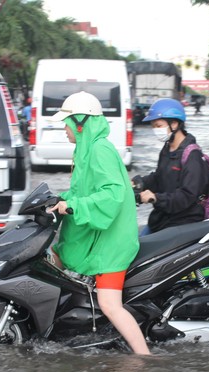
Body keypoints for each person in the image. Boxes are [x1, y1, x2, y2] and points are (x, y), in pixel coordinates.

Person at [46, 91, 151, 355]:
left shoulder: (100, 150)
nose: (65, 130)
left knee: (109, 303)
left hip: (111, 242)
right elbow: (84, 191)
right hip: (96, 235)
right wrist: (60, 200)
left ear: (81, 123)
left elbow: (112, 195)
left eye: (67, 123)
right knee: (53, 259)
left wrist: (73, 205)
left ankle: (146, 357)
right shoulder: (85, 149)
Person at [133, 98, 209, 235]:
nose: (155, 130)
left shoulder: (193, 156)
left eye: (158, 126)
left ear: (174, 124)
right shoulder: (167, 148)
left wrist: (156, 198)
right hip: (162, 218)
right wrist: (139, 183)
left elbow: (187, 196)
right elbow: (159, 177)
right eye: (153, 126)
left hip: (182, 222)